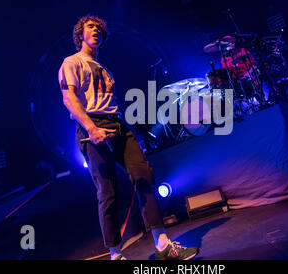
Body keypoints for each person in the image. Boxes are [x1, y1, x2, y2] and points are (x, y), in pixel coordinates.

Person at [58, 15, 199, 260]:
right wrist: (92, 128)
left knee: (144, 175)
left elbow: (109, 102)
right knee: (108, 192)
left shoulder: (105, 69)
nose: (97, 31)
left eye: (100, 29)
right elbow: (69, 99)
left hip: (118, 125)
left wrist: (123, 126)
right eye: (91, 27)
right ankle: (115, 254)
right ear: (80, 34)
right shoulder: (72, 62)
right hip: (92, 126)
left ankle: (163, 244)